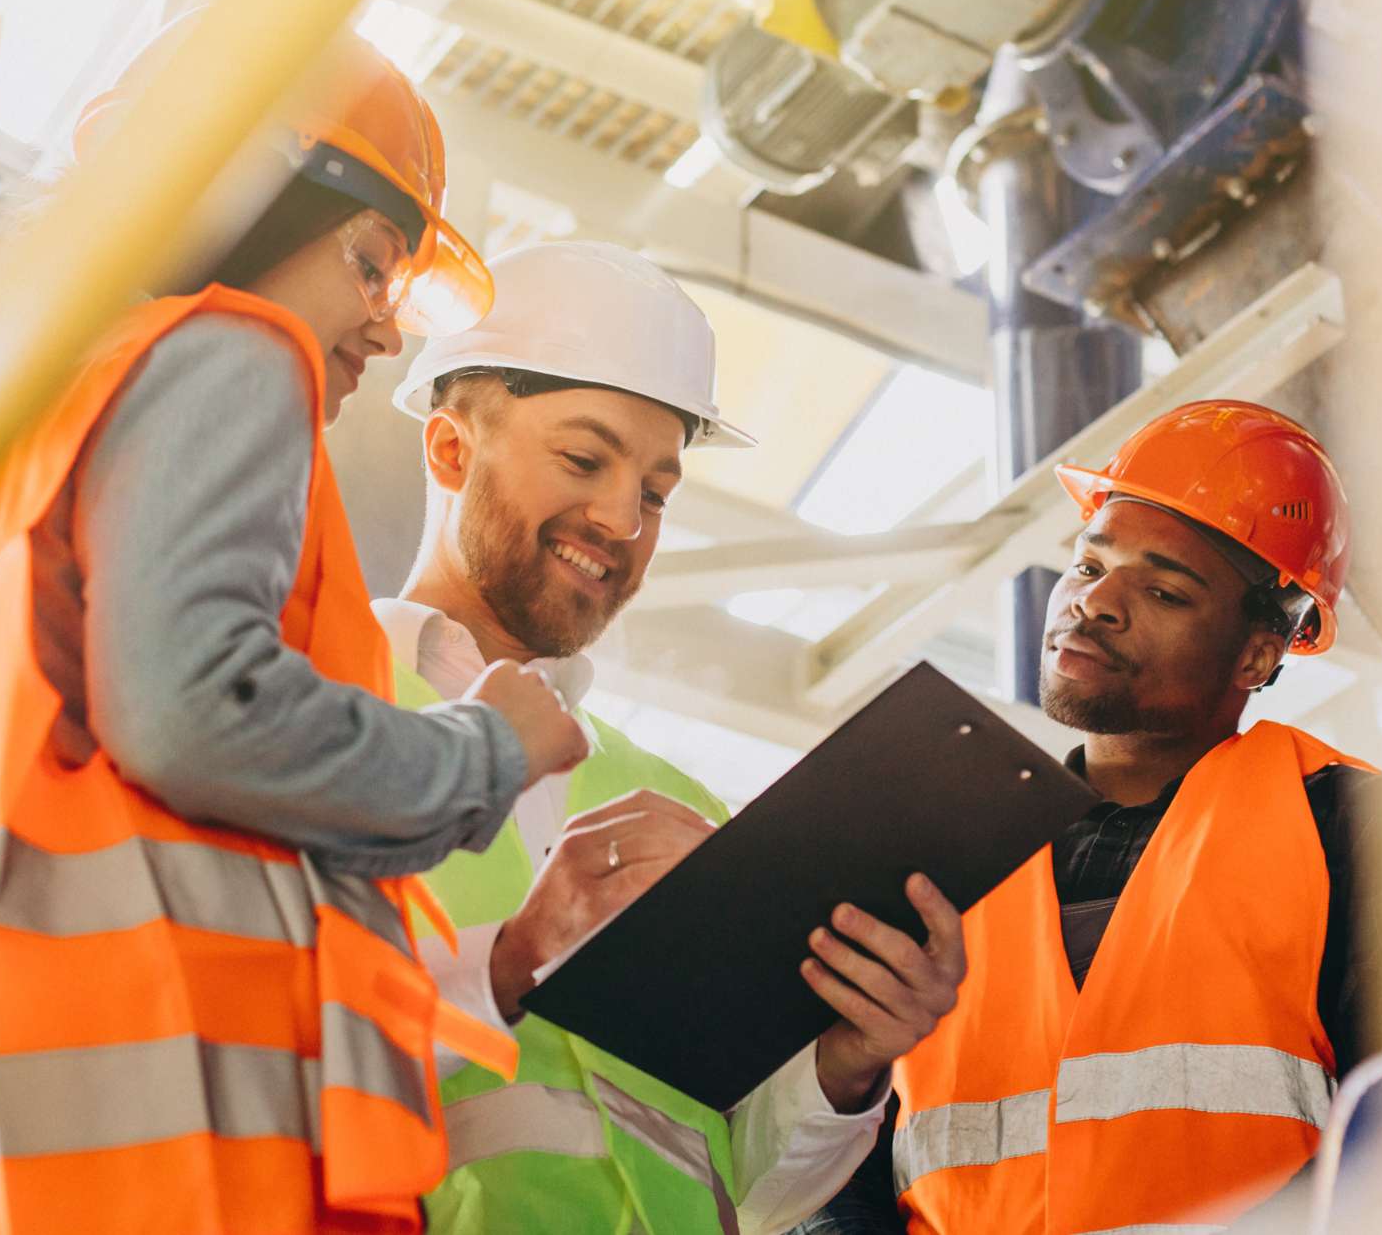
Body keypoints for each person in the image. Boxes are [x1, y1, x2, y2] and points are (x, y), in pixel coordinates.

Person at [0, 22, 590, 1235]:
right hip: (138, 1134)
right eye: (374, 263)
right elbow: (192, 710)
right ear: (245, 196)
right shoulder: (228, 348)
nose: (386, 330)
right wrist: (484, 750)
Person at [799, 400, 1382, 1234]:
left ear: (1257, 653)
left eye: (1166, 590)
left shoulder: (1360, 829)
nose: (1097, 603)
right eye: (1091, 563)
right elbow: (834, 1166)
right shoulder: (943, 848)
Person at [372, 240, 969, 1235]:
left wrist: (850, 1060)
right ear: (449, 450)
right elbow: (245, 1058)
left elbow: (747, 1184)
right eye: (582, 458)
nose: (621, 518)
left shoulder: (678, 801)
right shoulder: (304, 720)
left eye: (655, 492)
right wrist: (511, 962)